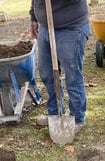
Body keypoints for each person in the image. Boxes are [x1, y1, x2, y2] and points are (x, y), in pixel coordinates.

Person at [30, 0, 90, 133]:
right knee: (47, 73)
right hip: (46, 27)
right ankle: (55, 113)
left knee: (73, 75)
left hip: (71, 27)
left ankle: (77, 118)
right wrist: (34, 17)